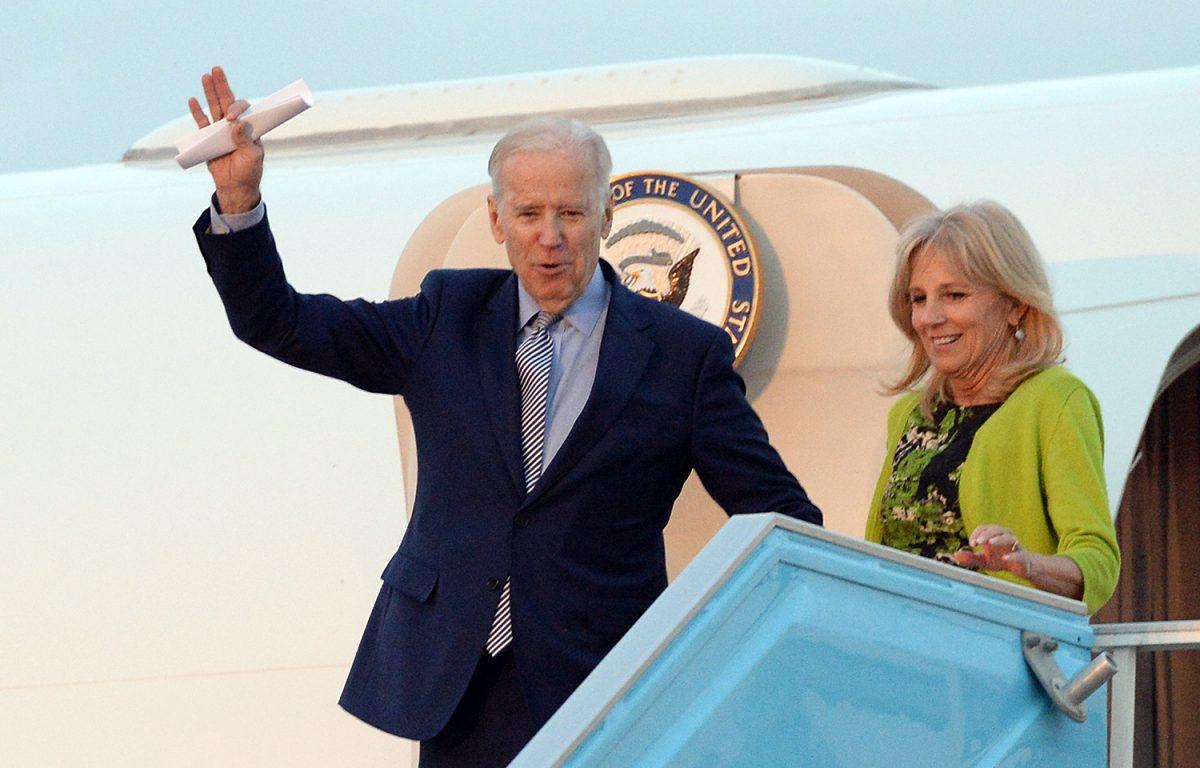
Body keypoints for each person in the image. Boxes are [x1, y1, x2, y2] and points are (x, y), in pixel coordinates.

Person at [187, 67, 821, 766]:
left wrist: (709, 656)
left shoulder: (681, 355)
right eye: (528, 214)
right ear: (497, 221)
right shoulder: (444, 317)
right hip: (458, 690)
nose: (550, 237)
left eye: (571, 213)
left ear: (608, 216)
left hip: (607, 691)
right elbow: (279, 322)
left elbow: (779, 521)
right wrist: (239, 199)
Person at [864, 200, 1119, 615]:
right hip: (899, 648)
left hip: (996, 659)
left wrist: (1028, 565)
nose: (930, 318)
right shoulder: (909, 415)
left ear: (1016, 303)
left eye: (955, 295)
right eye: (918, 298)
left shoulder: (1056, 400)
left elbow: (1098, 562)